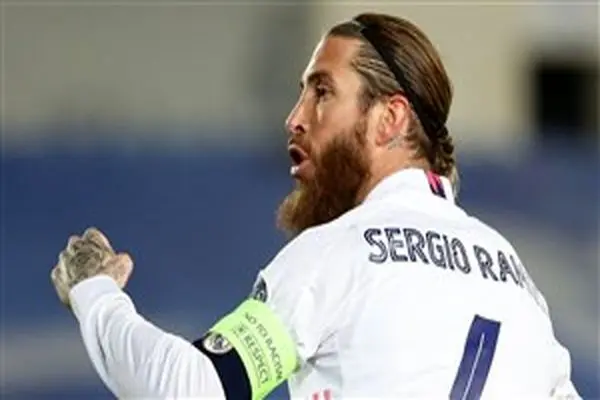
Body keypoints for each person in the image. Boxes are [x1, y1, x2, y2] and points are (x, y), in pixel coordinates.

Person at [51, 12, 580, 400]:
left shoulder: (343, 253)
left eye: (322, 92)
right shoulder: (522, 288)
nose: (294, 118)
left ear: (390, 119)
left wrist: (95, 293)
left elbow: (190, 388)